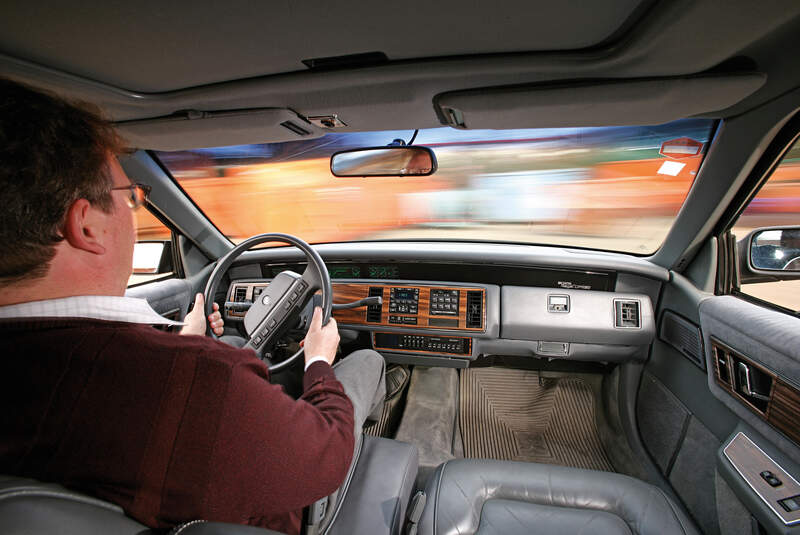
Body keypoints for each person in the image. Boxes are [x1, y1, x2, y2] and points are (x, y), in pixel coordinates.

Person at [0, 78, 385, 535]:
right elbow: (326, 456)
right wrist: (319, 361)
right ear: (86, 226)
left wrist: (186, 345)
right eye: (132, 198)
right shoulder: (196, 379)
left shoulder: (166, 375)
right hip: (273, 514)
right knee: (366, 361)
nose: (135, 210)